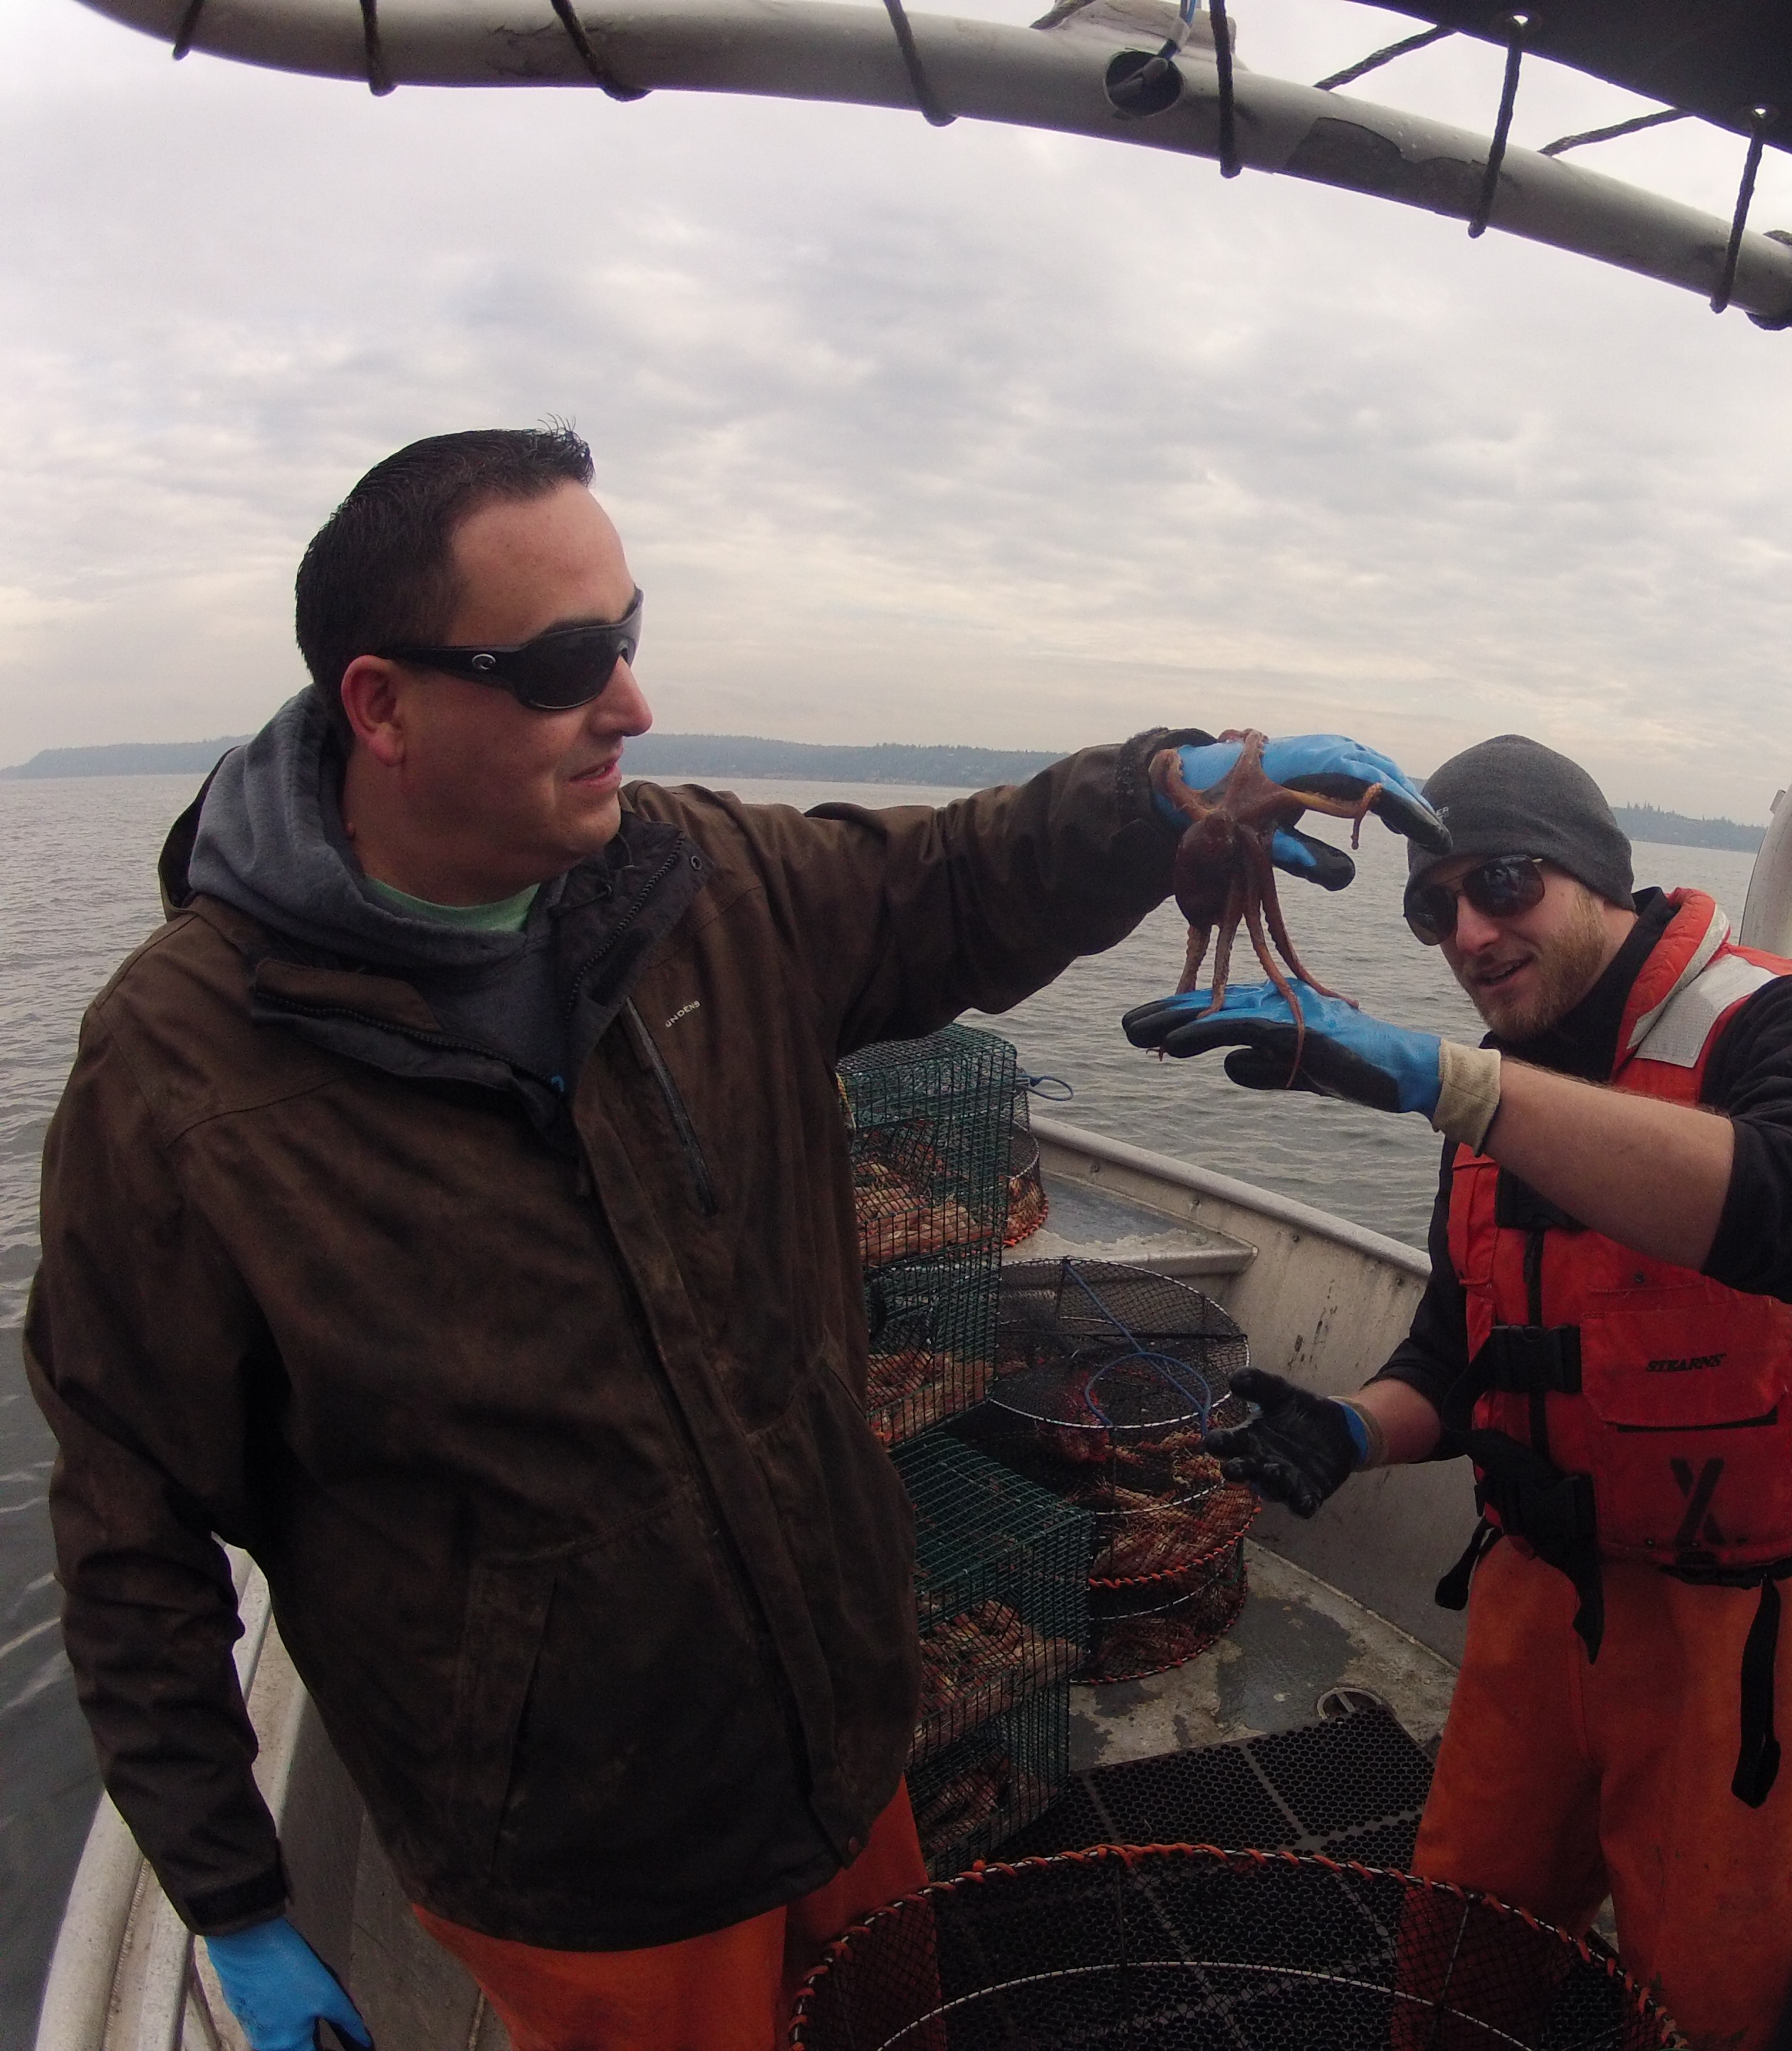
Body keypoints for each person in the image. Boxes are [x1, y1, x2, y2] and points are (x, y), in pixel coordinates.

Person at [25, 425, 1440, 2051]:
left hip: (846, 1748)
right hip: (588, 1861)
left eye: (627, 637)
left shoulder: (698, 883)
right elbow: (130, 1527)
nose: (629, 701)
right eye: (566, 664)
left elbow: (945, 884)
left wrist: (1156, 793)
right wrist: (237, 1902)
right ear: (382, 705)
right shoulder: (185, 1074)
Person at [1127, 734, 1792, 2051]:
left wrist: (1456, 1087)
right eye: (1431, 905)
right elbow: (1460, 1359)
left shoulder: (1782, 1024)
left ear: (1599, 880)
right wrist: (1350, 1431)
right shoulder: (1489, 1090)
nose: (1467, 930)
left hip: (1744, 1634)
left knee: (1703, 2000)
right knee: (1460, 1947)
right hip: (1538, 1601)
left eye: (1503, 882)